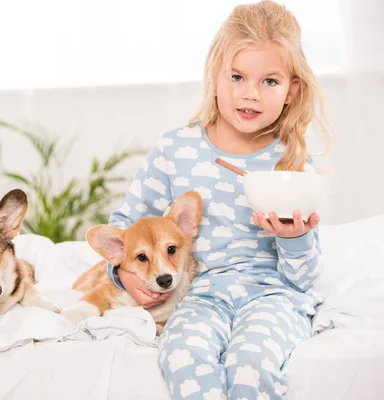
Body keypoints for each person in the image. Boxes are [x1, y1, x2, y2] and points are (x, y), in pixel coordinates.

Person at [105, 1, 331, 398]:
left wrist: (294, 239)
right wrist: (123, 274)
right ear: (215, 77)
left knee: (251, 366)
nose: (250, 94)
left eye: (270, 82)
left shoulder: (293, 164)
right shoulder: (176, 148)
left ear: (292, 91)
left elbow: (303, 279)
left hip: (273, 296)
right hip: (202, 293)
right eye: (238, 77)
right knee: (181, 357)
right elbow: (125, 227)